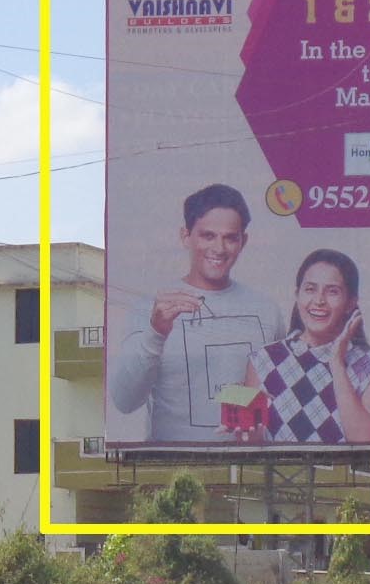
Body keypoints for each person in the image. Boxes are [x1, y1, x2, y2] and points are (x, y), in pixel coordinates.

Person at [106, 183, 286, 442]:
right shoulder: (151, 307)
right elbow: (124, 400)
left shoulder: (266, 310)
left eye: (230, 237)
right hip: (174, 471)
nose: (219, 248)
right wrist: (156, 333)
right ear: (186, 236)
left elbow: (279, 397)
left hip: (249, 471)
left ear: (243, 241)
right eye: (208, 236)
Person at [241, 249, 370, 446]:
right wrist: (247, 429)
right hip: (278, 475)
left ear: (350, 303)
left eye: (332, 291)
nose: (319, 300)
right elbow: (251, 445)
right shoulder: (263, 359)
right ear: (297, 294)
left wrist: (336, 362)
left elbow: (367, 442)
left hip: (344, 477)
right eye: (310, 289)